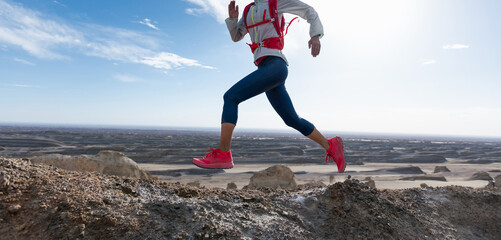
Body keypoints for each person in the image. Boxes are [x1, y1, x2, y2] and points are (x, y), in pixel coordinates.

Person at [193, 0, 346, 173]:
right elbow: (237, 36)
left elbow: (308, 10)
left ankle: (223, 154)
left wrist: (315, 35)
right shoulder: (249, 9)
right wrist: (232, 20)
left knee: (231, 97)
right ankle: (330, 145)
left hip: (276, 66)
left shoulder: (276, 3)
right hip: (266, 68)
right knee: (291, 119)